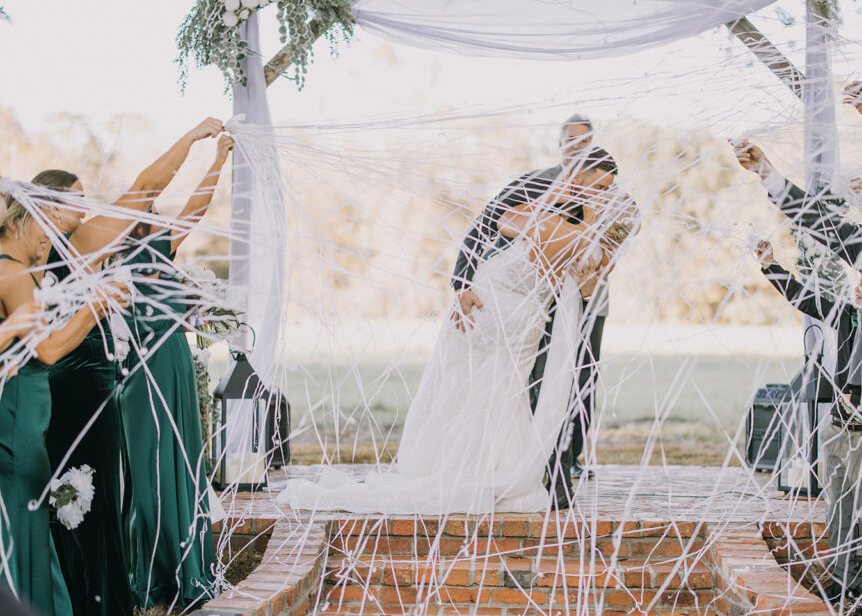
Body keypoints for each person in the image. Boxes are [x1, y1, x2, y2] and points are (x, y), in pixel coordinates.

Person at [277, 152, 635, 514]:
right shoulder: (560, 210)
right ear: (580, 176)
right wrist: (462, 283)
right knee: (486, 391)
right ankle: (487, 468)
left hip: (515, 312)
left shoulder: (567, 227)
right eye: (600, 186)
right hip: (497, 306)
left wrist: (568, 221)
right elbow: (491, 227)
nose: (603, 193)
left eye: (608, 190)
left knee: (494, 393)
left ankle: (488, 470)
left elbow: (517, 229)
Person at [733, 85, 862, 613]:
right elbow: (814, 219)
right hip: (857, 397)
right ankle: (852, 582)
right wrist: (766, 174)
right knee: (848, 498)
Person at [32, 116, 225, 616]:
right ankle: (100, 591)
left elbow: (172, 202)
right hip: (89, 375)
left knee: (89, 498)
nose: (86, 208)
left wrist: (215, 157)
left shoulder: (77, 249)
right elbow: (144, 185)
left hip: (99, 377)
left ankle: (91, 593)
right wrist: (190, 139)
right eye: (75, 201)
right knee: (91, 493)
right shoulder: (90, 249)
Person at [452, 116, 634, 506]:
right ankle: (534, 467)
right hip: (521, 299)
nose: (578, 147)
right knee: (530, 384)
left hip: (577, 304)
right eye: (572, 141)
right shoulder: (537, 183)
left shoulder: (615, 202)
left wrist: (594, 259)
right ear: (561, 145)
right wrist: (461, 283)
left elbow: (609, 251)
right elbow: (487, 222)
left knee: (576, 381)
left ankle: (566, 461)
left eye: (586, 141)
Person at [116, 133, 232, 609]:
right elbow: (195, 209)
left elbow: (190, 212)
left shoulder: (141, 253)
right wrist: (217, 161)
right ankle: (167, 564)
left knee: (169, 459)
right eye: (154, 210)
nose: (162, 216)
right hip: (152, 366)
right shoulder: (136, 251)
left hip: (164, 362)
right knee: (160, 461)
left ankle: (163, 566)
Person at [0, 191, 128, 616]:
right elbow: (49, 350)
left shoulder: (18, 270)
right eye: (46, 221)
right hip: (17, 425)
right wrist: (94, 308)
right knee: (20, 526)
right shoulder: (12, 273)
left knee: (25, 526)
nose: (51, 236)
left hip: (23, 418)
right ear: (17, 220)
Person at [755, 238, 862, 608]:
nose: (858, 286)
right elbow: (804, 297)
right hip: (838, 424)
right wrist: (770, 264)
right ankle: (842, 577)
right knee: (837, 505)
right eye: (859, 279)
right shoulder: (846, 313)